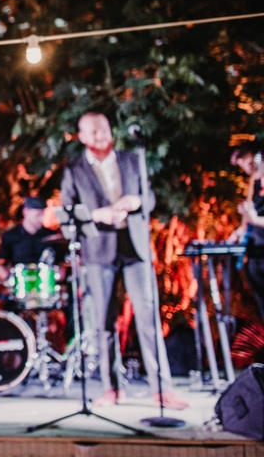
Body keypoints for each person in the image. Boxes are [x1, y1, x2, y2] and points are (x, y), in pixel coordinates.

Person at [60, 112, 189, 409]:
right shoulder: (75, 169)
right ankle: (111, 389)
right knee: (104, 321)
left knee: (148, 316)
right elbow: (67, 215)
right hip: (98, 249)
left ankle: (161, 389)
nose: (99, 134)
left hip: (135, 247)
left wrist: (138, 202)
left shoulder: (133, 159)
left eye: (103, 128)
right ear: (81, 136)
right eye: (92, 131)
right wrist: (96, 215)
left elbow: (150, 198)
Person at [229, 145, 264, 322]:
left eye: (251, 164)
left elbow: (257, 219)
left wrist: (255, 219)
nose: (249, 170)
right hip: (256, 257)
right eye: (244, 167)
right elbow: (251, 221)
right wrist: (237, 232)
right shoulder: (256, 186)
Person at [0, 196, 65, 281]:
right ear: (25, 212)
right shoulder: (10, 236)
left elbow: (61, 264)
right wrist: (9, 278)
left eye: (42, 214)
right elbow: (0, 263)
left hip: (46, 285)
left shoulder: (52, 236)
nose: (40, 218)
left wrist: (58, 276)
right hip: (20, 284)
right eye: (37, 215)